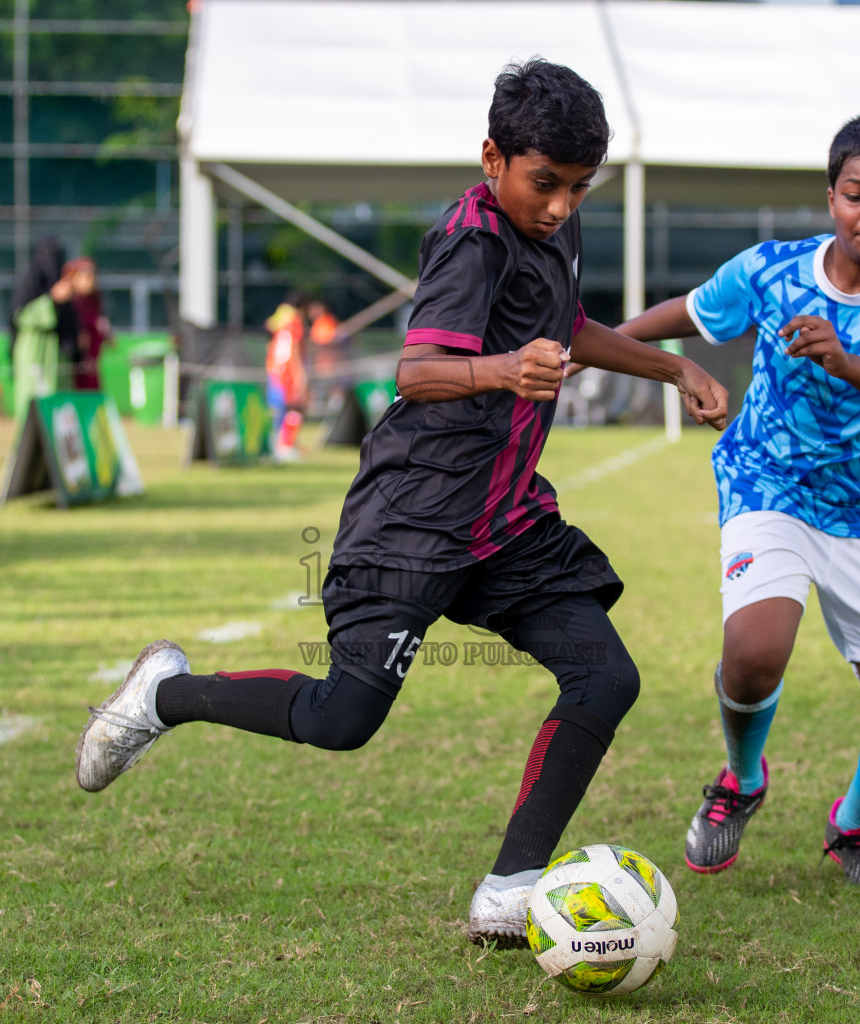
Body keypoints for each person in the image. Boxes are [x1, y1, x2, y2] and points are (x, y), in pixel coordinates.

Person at [74, 58, 728, 944]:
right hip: (415, 518)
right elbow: (415, 372)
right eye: (546, 184)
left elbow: (567, 322)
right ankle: (166, 694)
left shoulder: (555, 229)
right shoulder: (471, 239)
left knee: (606, 675)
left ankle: (511, 886)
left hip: (504, 522)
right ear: (492, 157)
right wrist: (504, 369)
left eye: (580, 188)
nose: (562, 206)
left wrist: (675, 363)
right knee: (343, 720)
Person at [617, 115, 860, 888]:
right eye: (856, 193)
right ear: (831, 196)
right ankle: (740, 780)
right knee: (752, 653)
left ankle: (852, 825)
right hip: (767, 483)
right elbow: (691, 312)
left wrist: (844, 361)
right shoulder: (772, 271)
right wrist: (594, 346)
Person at [10, 238, 78, 423]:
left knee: (58, 405)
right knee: (32, 401)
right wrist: (52, 299)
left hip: (57, 354)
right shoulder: (29, 284)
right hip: (33, 350)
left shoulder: (63, 284)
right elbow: (20, 317)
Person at [264, 295, 308, 460]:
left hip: (274, 368)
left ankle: (279, 445)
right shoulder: (294, 321)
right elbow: (294, 348)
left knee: (278, 408)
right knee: (294, 406)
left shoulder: (280, 318)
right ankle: (284, 446)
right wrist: (300, 374)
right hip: (287, 370)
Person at [66, 258, 111, 391]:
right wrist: (83, 357)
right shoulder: (72, 305)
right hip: (79, 367)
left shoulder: (94, 302)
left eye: (92, 275)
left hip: (94, 365)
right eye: (85, 276)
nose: (91, 279)